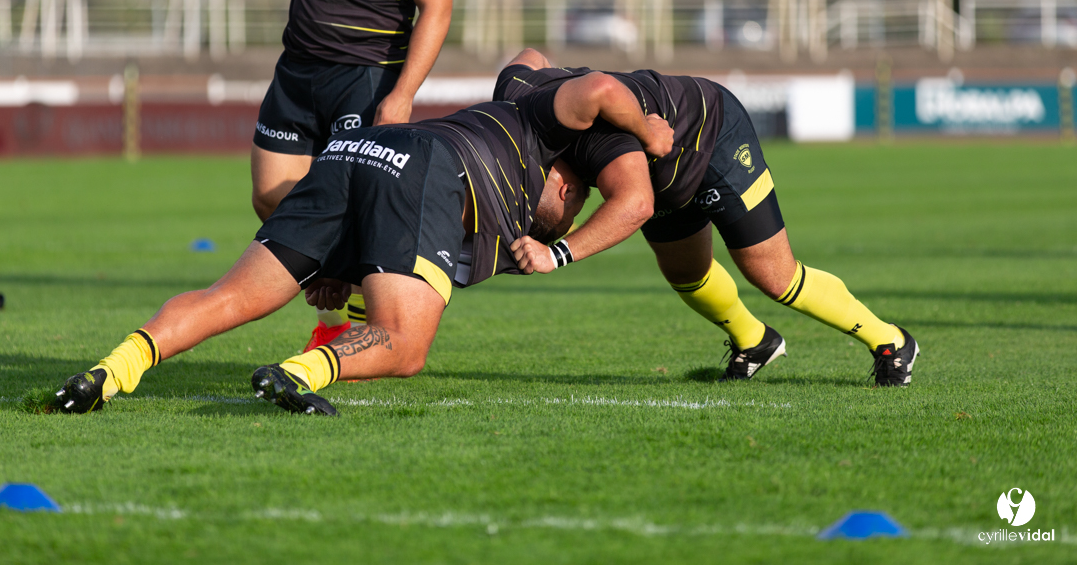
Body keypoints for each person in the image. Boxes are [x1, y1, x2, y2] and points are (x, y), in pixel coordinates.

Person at [53, 73, 675, 416]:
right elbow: (597, 86)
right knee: (403, 345)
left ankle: (110, 371)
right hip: (427, 163)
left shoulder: (509, 112)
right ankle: (299, 371)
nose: (570, 201)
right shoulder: (541, 125)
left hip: (355, 152)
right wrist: (646, 125)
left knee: (231, 296)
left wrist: (338, 267)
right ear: (561, 176)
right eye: (574, 196)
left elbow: (388, 233)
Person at [495, 49, 918, 387]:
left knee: (774, 276)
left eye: (569, 207)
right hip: (658, 175)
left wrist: (558, 254)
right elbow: (532, 55)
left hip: (711, 133)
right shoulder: (514, 102)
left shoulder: (588, 144)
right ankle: (755, 341)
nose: (579, 200)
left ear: (558, 185)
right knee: (686, 273)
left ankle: (891, 341)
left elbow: (634, 204)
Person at [250, 0, 454, 351]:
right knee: (271, 196)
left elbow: (436, 9)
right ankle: (334, 279)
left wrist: (403, 95)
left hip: (364, 76)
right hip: (297, 69)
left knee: (353, 204)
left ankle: (355, 331)